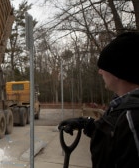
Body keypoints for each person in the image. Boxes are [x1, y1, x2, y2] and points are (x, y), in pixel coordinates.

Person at [58, 31, 139, 168]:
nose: (99, 72)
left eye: (104, 67)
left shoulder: (133, 117)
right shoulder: (121, 105)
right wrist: (86, 124)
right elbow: (113, 135)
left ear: (118, 71)